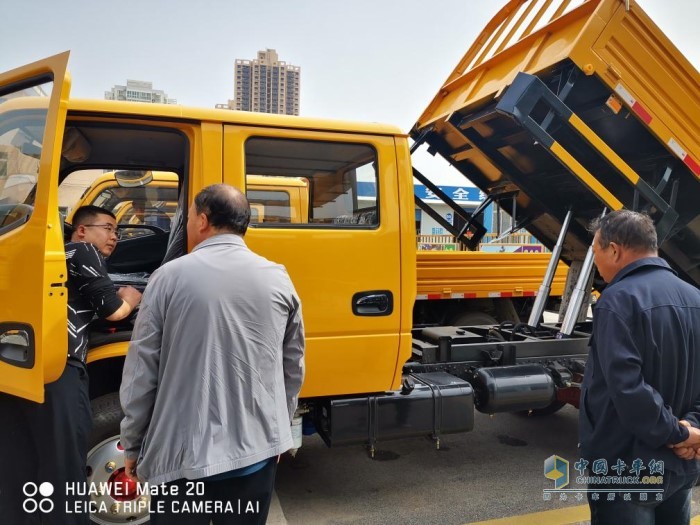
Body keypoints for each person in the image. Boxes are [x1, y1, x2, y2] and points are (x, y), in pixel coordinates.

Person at [119, 184, 305, 525]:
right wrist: (280, 431)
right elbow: (292, 366)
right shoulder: (278, 278)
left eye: (189, 216)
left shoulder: (167, 278)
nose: (188, 223)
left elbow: (141, 371)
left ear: (203, 221)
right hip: (256, 453)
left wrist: (132, 444)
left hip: (183, 461)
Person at [0, 205, 142, 525]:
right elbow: (113, 309)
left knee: (19, 461)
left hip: (22, 366)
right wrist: (133, 297)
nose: (113, 237)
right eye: (107, 228)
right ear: (81, 230)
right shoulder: (82, 251)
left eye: (117, 232)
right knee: (64, 464)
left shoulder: (45, 256)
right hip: (61, 369)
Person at [579, 209, 700, 524]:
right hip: (680, 466)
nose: (596, 262)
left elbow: (628, 389)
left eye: (596, 252)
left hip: (628, 468)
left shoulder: (617, 301)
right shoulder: (695, 298)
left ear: (615, 250)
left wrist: (677, 433)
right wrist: (691, 429)